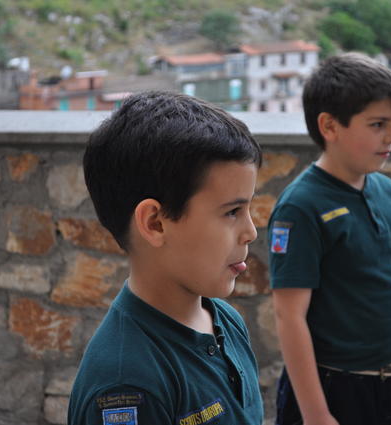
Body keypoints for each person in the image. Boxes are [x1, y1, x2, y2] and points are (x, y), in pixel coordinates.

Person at [68, 91, 264, 425]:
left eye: (248, 208)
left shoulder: (227, 321)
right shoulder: (126, 387)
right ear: (155, 223)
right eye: (232, 212)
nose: (251, 232)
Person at [268, 53, 391, 425]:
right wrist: (316, 414)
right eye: (377, 124)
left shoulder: (388, 191)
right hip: (337, 388)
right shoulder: (300, 207)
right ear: (329, 126)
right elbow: (289, 316)